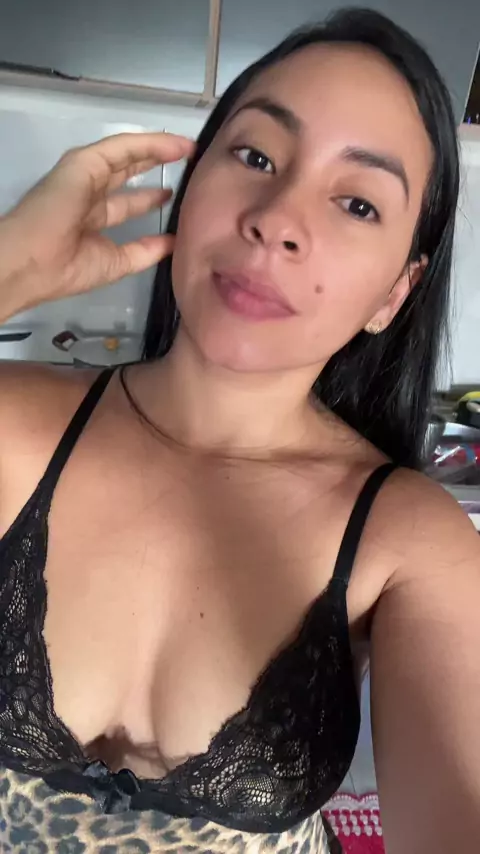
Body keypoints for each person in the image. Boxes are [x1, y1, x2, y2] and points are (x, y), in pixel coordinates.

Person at [0, 7, 478, 853]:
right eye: (256, 156)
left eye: (357, 203)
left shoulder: (410, 541)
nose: (278, 219)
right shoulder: (13, 423)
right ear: (192, 188)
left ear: (394, 295)